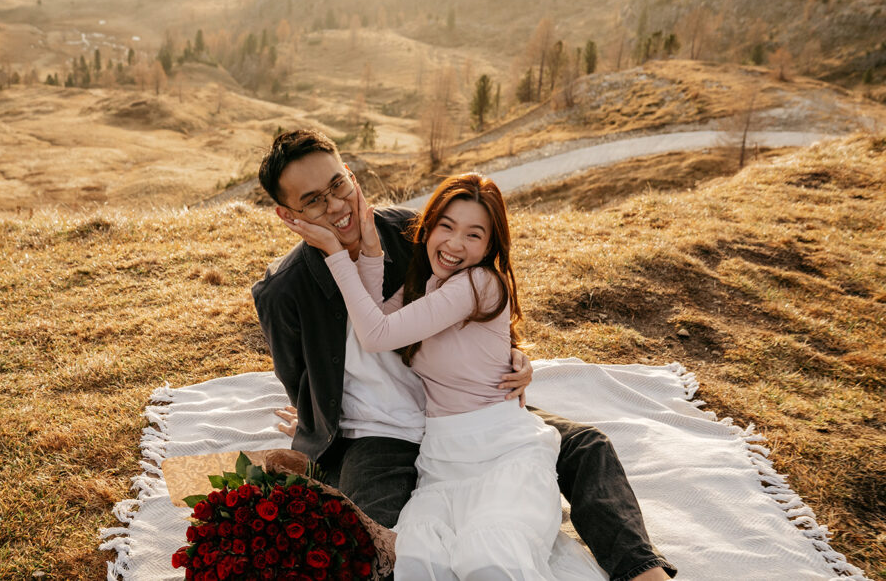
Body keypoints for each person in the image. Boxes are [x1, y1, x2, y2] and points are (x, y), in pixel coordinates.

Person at [252, 129, 675, 581]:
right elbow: (299, 378)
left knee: (586, 445)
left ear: (351, 175)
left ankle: (639, 571)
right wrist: (318, 422)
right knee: (380, 543)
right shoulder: (284, 292)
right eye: (313, 200)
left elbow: (476, 300)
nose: (335, 206)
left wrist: (516, 357)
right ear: (287, 214)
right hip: (377, 433)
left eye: (338, 185)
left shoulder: (413, 233)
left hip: (465, 405)